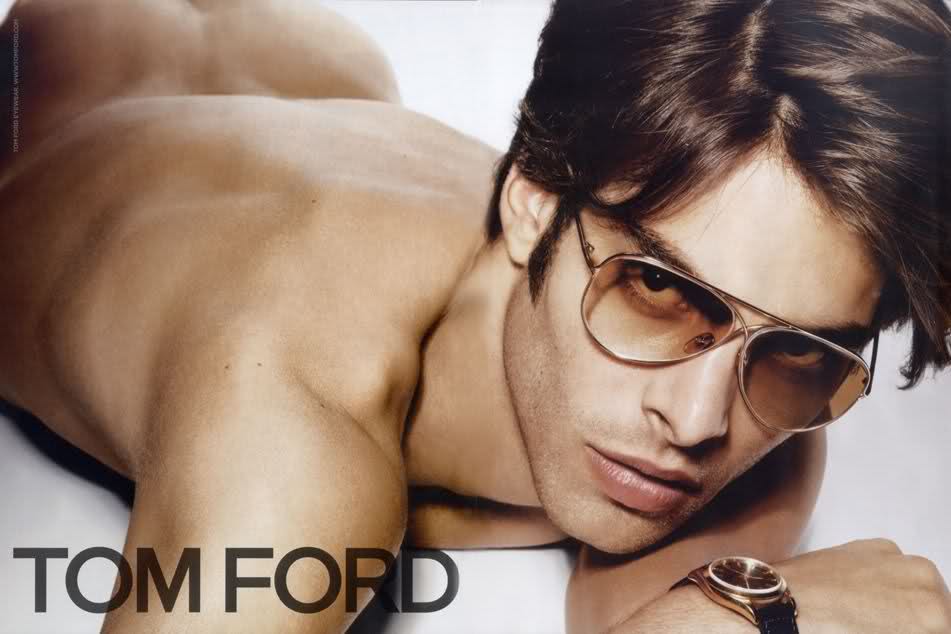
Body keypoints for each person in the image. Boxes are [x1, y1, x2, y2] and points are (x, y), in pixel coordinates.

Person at [0, 0, 948, 632]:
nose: (698, 422)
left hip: (315, 84)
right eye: (660, 289)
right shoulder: (291, 408)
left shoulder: (768, 404)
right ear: (532, 201)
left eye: (799, 347)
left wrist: (722, 612)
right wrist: (757, 616)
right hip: (69, 129)